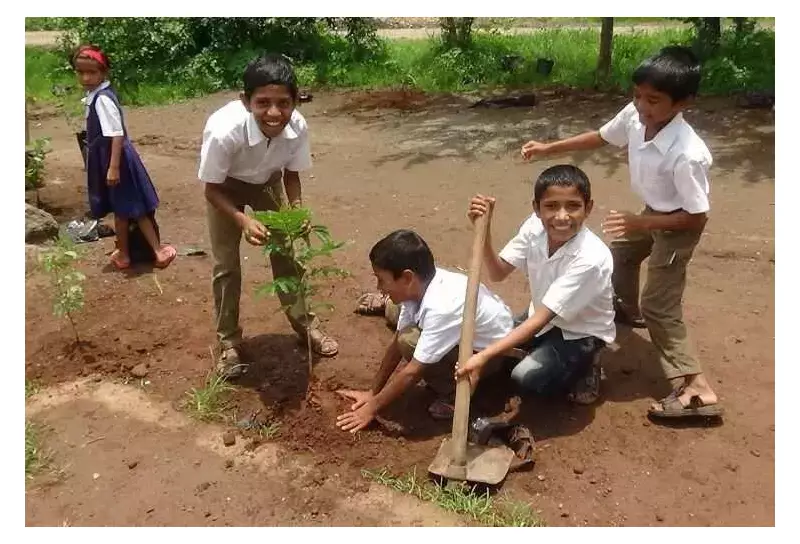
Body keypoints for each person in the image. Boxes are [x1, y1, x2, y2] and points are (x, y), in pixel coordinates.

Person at [519, 46, 722, 418]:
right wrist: (550, 147)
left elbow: (696, 217)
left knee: (659, 307)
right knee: (622, 255)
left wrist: (642, 223)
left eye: (654, 100)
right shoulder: (635, 115)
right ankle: (626, 310)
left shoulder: (688, 153)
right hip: (650, 213)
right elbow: (600, 136)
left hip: (676, 227)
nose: (642, 105)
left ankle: (696, 390)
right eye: (638, 95)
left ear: (684, 103)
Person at [198, 53, 338, 378]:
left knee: (287, 258)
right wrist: (243, 221)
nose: (274, 113)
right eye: (263, 103)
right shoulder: (224, 131)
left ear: (295, 101)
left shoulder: (298, 126)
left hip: (269, 182)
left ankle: (306, 326)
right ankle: (229, 343)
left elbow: (291, 173)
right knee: (226, 267)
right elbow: (211, 189)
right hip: (225, 189)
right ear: (246, 101)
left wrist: (297, 209)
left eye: (283, 103)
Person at [456, 165, 615, 403]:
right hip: (540, 317)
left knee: (525, 378)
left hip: (580, 332)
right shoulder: (533, 228)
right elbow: (498, 272)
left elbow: (539, 320)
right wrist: (485, 229)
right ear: (536, 209)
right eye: (551, 206)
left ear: (588, 208)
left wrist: (483, 358)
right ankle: (536, 351)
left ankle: (587, 365)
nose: (562, 216)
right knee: (489, 344)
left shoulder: (592, 258)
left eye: (573, 206)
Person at [336, 229, 515, 433]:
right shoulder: (420, 286)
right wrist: (372, 392)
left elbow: (413, 370)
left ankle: (453, 393)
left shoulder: (442, 306)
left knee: (409, 341)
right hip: (461, 329)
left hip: (490, 355)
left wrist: (371, 408)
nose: (378, 286)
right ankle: (388, 307)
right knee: (399, 314)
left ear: (407, 278)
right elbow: (394, 344)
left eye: (381, 280)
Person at [72, 45, 176, 270]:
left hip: (116, 161)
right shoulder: (96, 96)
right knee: (123, 208)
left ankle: (154, 252)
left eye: (92, 72)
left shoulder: (102, 99)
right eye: (81, 72)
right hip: (110, 159)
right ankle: (125, 252)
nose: (86, 77)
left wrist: (113, 167)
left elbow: (116, 134)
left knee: (135, 208)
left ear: (104, 72)